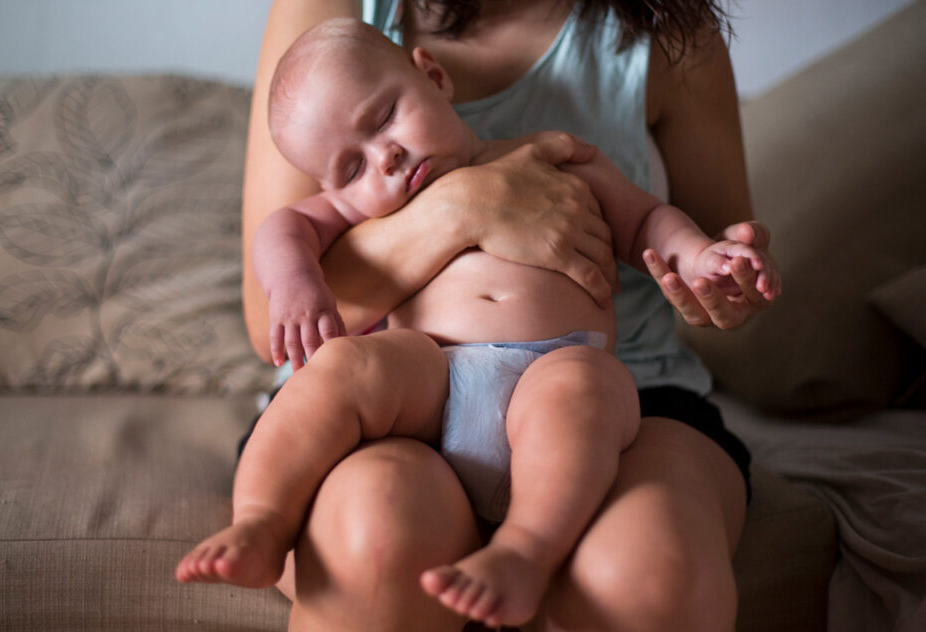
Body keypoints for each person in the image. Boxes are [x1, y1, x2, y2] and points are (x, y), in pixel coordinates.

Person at [175, 18, 778, 630]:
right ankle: (259, 519)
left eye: (384, 118)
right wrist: (299, 284)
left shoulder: (552, 155)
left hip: (553, 369)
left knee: (584, 389)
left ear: (433, 77)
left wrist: (706, 260)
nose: (383, 159)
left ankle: (524, 549)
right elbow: (285, 229)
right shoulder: (358, 203)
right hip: (429, 380)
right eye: (351, 169)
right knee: (344, 367)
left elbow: (650, 221)